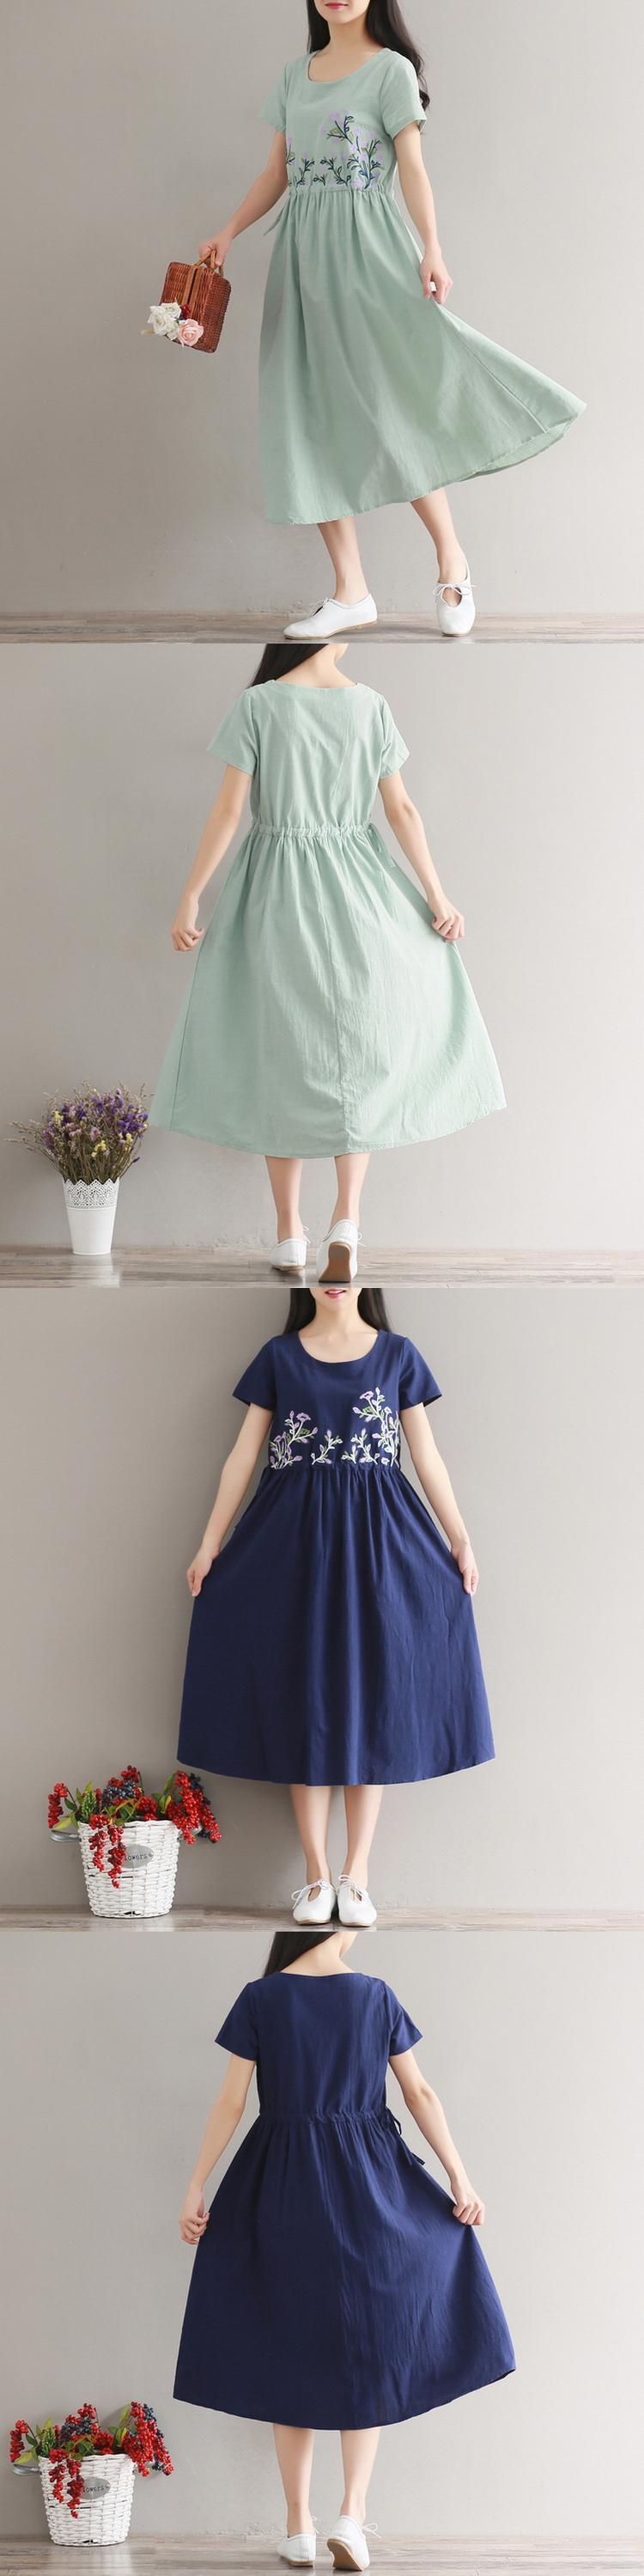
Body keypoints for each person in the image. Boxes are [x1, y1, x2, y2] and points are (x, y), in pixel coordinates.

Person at [197, 0, 583, 635]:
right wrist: (228, 232)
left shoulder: (391, 71)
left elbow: (413, 168)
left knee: (392, 404)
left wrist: (431, 246)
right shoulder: (295, 75)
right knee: (306, 411)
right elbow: (275, 173)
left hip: (369, 251)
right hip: (301, 259)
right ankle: (351, 590)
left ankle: (452, 562)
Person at [176, 1924, 515, 2569]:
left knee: (289, 2342)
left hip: (281, 2181)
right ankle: (351, 2517)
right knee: (373, 2343)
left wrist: (196, 2186)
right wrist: (459, 2178)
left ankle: (298, 2527)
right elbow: (419, 2093)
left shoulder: (260, 1996)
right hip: (370, 2178)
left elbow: (231, 2101)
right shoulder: (375, 1995)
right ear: (346, 1925)